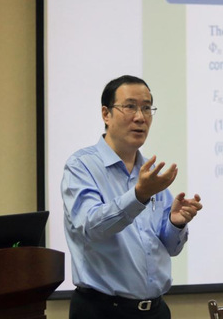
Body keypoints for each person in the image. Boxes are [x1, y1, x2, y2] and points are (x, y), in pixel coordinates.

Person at [61, 75, 202, 318]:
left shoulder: (150, 172)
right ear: (106, 114)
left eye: (147, 108)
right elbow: (91, 227)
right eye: (130, 106)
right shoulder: (81, 166)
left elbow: (170, 248)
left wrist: (175, 223)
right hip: (103, 311)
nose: (140, 117)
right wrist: (138, 196)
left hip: (155, 310)